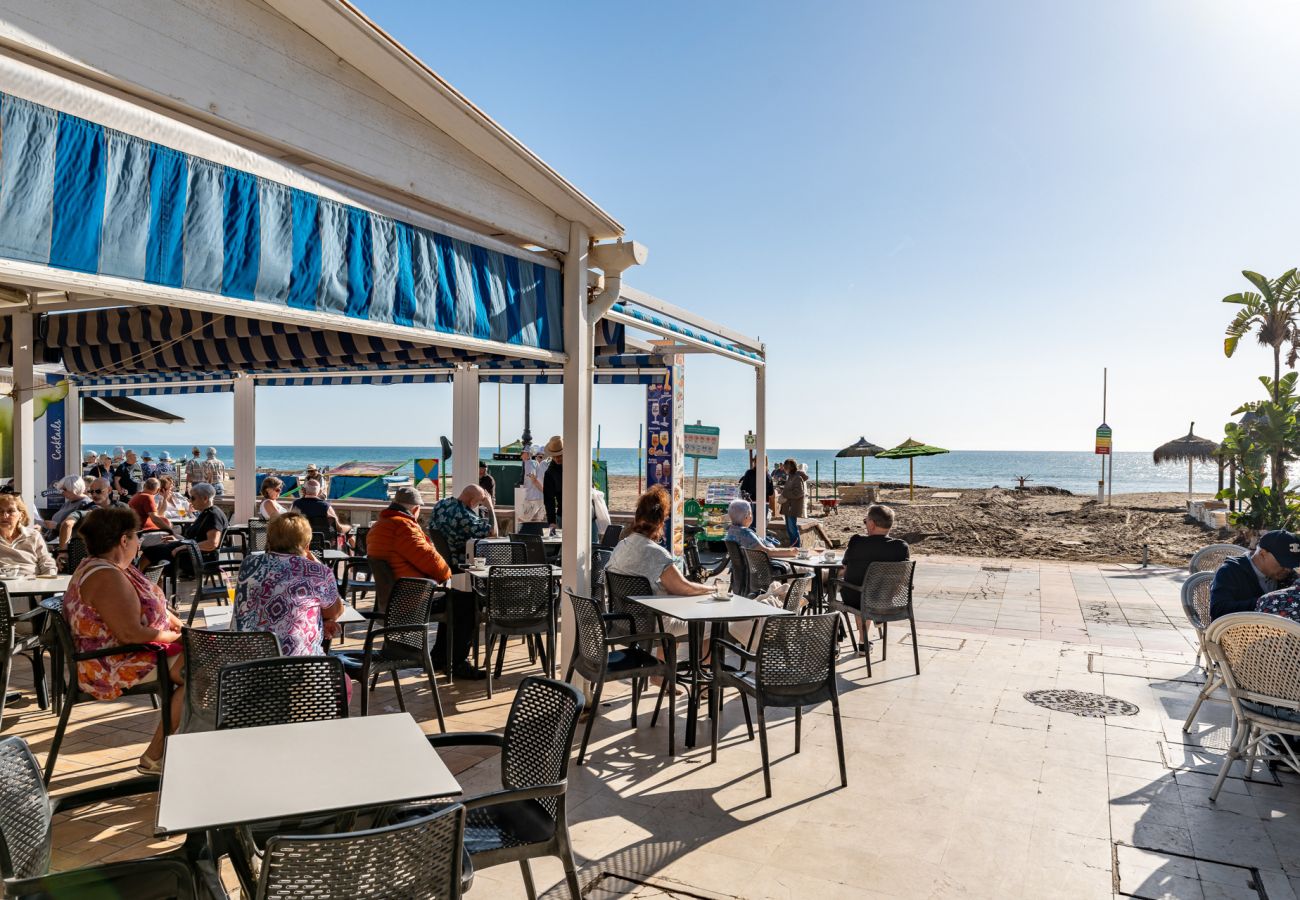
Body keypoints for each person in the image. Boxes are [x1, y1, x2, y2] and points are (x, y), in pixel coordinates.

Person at [62, 506, 184, 773]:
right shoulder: (107, 576)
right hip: (111, 663)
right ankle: (157, 755)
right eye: (136, 536)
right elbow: (132, 633)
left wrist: (180, 628)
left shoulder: (111, 568)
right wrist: (178, 637)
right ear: (123, 540)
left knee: (206, 666)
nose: (139, 543)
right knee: (205, 674)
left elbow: (154, 612)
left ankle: (178, 749)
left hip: (130, 652)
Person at [367, 485, 482, 679]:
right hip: (410, 601)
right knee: (466, 602)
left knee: (454, 600)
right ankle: (458, 663)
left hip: (390, 601)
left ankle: (440, 658)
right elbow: (438, 567)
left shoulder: (379, 526)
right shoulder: (404, 528)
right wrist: (444, 574)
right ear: (415, 509)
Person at [234, 512, 343, 655]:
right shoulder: (317, 571)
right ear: (307, 544)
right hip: (294, 669)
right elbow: (335, 612)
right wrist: (313, 559)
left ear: (269, 540)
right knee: (344, 676)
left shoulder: (248, 564)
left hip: (244, 668)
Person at [137, 482, 227, 574]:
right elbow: (197, 538)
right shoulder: (206, 513)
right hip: (191, 553)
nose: (190, 501)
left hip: (197, 558)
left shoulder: (213, 515)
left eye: (193, 498)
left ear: (205, 499)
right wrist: (178, 540)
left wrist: (182, 547)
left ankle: (138, 580)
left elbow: (212, 543)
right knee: (152, 552)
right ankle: (146, 582)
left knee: (151, 553)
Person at [1209, 531, 1300, 620]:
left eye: (1292, 564)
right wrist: (1267, 602)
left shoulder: (1287, 574)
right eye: (1283, 563)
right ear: (1263, 554)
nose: (1288, 569)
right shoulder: (1230, 571)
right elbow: (1218, 611)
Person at [838, 504, 911, 610]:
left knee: (833, 578)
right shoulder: (901, 546)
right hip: (887, 600)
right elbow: (904, 577)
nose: (866, 524)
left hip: (856, 599)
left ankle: (863, 626)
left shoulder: (857, 542)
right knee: (872, 590)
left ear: (872, 524)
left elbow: (845, 568)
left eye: (865, 521)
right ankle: (876, 616)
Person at [427, 485, 495, 566]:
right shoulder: (466, 516)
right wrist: (491, 508)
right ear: (472, 502)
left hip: (440, 559)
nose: (479, 505)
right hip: (458, 561)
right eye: (479, 502)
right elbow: (493, 534)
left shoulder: (441, 504)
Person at [0, 493, 58, 575]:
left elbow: (47, 564)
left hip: (32, 583)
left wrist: (47, 583)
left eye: (10, 511)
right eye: (0, 511)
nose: (4, 516)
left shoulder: (33, 536)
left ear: (21, 515)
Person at [724, 498, 798, 560]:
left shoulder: (731, 531)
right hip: (766, 572)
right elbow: (766, 552)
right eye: (750, 513)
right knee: (806, 570)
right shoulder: (746, 534)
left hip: (746, 571)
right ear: (747, 517)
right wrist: (790, 552)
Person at [517, 446, 548, 534]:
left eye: (522, 453)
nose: (521, 456)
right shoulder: (534, 463)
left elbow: (533, 480)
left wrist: (544, 491)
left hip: (532, 497)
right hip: (538, 497)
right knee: (537, 521)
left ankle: (522, 540)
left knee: (523, 521)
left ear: (527, 454)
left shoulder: (529, 464)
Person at [778, 458, 808, 547]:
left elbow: (799, 493)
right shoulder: (791, 477)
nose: (784, 469)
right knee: (789, 528)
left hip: (792, 507)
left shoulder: (797, 478)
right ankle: (793, 546)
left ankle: (796, 547)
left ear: (789, 467)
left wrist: (785, 493)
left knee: (792, 528)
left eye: (785, 467)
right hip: (788, 506)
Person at [542, 435, 564, 532]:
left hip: (585, 514)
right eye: (554, 456)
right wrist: (552, 521)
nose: (557, 458)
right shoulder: (550, 472)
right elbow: (549, 499)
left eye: (559, 455)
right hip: (562, 515)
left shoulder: (576, 465)